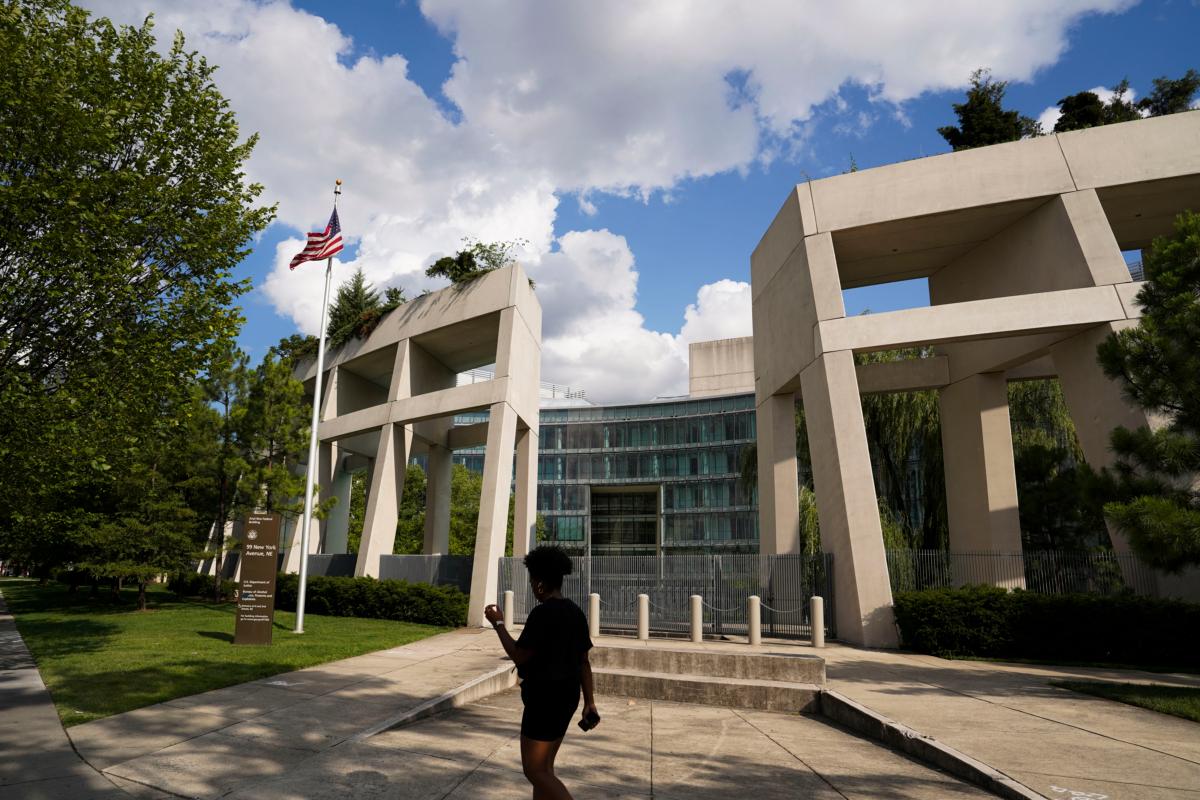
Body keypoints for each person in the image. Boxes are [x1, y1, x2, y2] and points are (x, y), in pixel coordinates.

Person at [484, 546, 597, 800]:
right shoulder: (575, 612)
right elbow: (584, 662)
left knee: (535, 771)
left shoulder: (542, 614)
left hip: (544, 700)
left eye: (534, 580)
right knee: (545, 767)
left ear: (541, 583)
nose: (533, 586)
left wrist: (498, 623)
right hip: (568, 697)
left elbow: (519, 654)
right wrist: (590, 702)